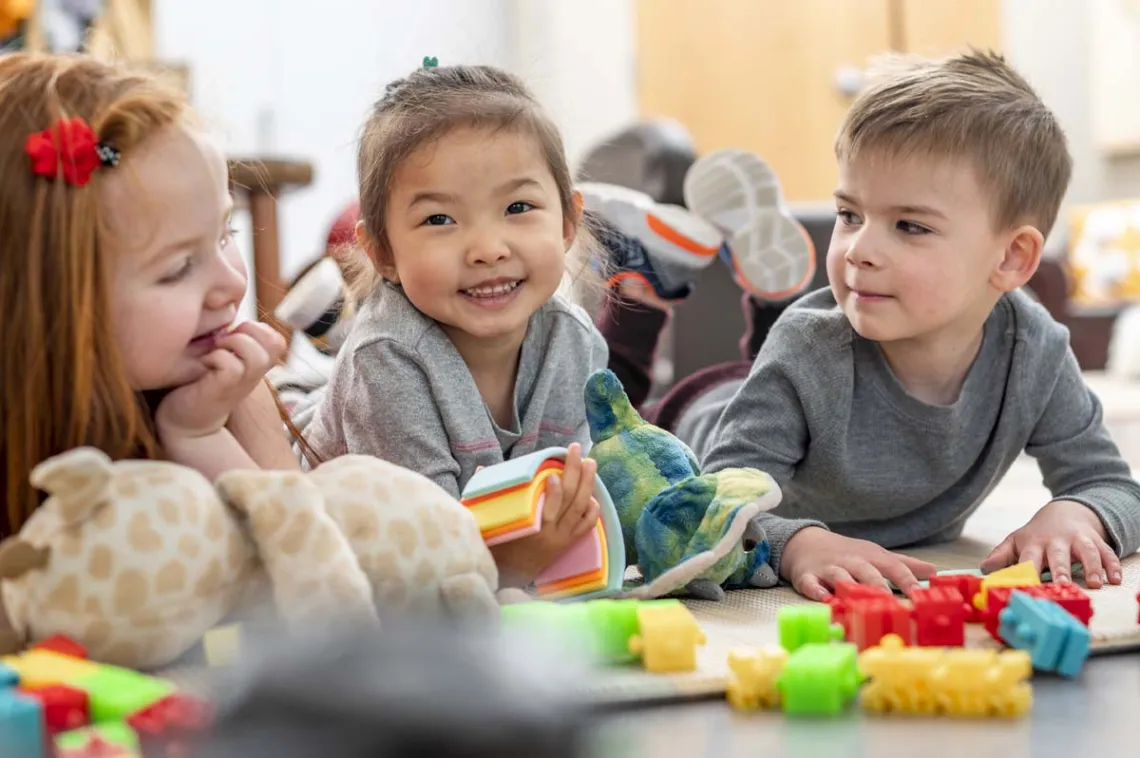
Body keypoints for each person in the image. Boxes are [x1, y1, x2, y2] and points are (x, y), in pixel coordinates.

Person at [298, 60, 814, 588]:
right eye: (440, 220)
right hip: (354, 515)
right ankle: (305, 342)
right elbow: (423, 553)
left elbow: (576, 500)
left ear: (567, 222)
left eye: (518, 207)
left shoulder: (571, 338)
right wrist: (516, 564)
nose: (488, 249)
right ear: (382, 251)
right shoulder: (388, 357)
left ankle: (648, 287)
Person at [682, 49, 1140, 601]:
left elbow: (1112, 485)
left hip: (796, 406)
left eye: (910, 226)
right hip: (701, 424)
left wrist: (1078, 512)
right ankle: (715, 282)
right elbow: (717, 503)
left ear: (1012, 258)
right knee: (629, 462)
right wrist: (796, 543)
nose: (859, 250)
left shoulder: (1034, 351)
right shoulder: (809, 349)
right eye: (849, 215)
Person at [0, 53, 298, 540]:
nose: (232, 285)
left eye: (226, 234)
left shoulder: (237, 390)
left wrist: (199, 437)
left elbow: (314, 570)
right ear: (47, 303)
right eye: (179, 268)